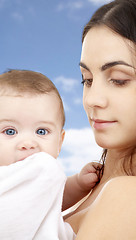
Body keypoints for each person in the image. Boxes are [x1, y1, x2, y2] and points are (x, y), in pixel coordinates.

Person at [64, 0, 136, 239]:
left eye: (119, 79)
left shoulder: (135, 196)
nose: (92, 99)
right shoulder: (80, 188)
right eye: (87, 80)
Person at [0, 69, 101, 240]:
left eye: (41, 131)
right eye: (10, 131)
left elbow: (49, 197)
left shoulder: (46, 174)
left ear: (60, 142)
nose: (28, 143)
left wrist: (78, 184)